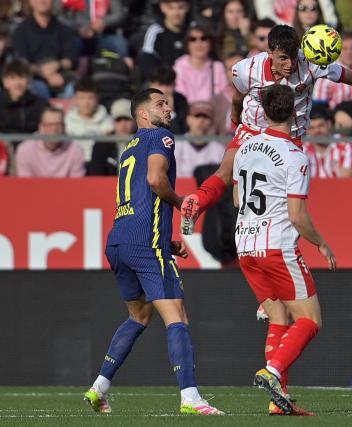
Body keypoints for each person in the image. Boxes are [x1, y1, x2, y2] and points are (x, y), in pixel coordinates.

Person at [83, 88, 224, 416]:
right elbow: (154, 180)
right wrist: (183, 204)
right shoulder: (160, 137)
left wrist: (165, 238)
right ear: (143, 114)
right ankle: (191, 398)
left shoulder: (128, 147)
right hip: (145, 242)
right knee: (177, 315)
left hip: (119, 240)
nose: (169, 109)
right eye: (161, 104)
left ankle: (99, 388)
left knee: (139, 315)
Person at [180, 24, 352, 233]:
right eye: (283, 57)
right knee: (225, 171)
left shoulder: (311, 61)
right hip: (253, 127)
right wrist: (236, 117)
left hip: (289, 134)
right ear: (270, 52)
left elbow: (348, 76)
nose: (290, 63)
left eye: (293, 56)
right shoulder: (247, 69)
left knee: (281, 191)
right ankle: (195, 204)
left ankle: (270, 230)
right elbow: (238, 96)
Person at [233, 84, 336, 416]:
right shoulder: (294, 155)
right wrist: (320, 241)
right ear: (294, 112)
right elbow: (297, 215)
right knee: (310, 318)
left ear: (264, 112)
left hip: (245, 245)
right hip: (276, 245)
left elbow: (237, 200)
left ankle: (279, 402)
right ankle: (272, 371)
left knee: (278, 316)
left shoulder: (246, 147)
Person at [12, 0, 78, 99]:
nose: (42, 1)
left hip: (60, 75)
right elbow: (21, 62)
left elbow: (71, 58)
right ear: (30, 2)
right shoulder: (21, 31)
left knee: (72, 89)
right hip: (34, 77)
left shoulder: (63, 29)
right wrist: (42, 72)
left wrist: (57, 65)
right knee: (39, 88)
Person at [15, 107, 85, 177]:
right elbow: (25, 184)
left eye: (58, 125)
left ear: (64, 127)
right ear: (40, 127)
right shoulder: (25, 150)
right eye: (49, 125)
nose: (54, 129)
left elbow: (77, 184)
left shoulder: (75, 150)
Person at [137, 0, 191, 83]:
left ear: (187, 7)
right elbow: (147, 60)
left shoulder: (194, 31)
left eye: (180, 8)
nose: (176, 13)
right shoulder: (155, 31)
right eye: (171, 8)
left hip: (191, 82)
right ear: (163, 7)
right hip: (165, 82)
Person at [173, 24, 227, 105]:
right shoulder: (179, 65)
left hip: (212, 113)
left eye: (203, 39)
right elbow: (179, 94)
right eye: (193, 39)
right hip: (187, 112)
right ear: (187, 44)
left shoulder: (218, 67)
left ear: (210, 43)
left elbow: (222, 97)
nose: (199, 43)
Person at [65, 77, 114, 162]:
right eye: (82, 98)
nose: (86, 102)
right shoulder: (65, 122)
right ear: (75, 99)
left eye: (90, 98)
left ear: (97, 99)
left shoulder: (109, 122)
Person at [87, 98, 137, 175]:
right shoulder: (101, 145)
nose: (123, 124)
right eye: (118, 120)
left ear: (135, 121)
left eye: (127, 119)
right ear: (113, 122)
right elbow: (96, 177)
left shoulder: (144, 143)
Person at [175, 101, 226, 177]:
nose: (201, 120)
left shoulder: (219, 149)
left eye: (206, 117)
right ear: (188, 119)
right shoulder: (177, 145)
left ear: (212, 122)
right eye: (197, 116)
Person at [303, 106, 352, 177]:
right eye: (312, 128)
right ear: (307, 130)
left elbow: (347, 177)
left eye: (320, 126)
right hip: (311, 188)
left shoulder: (343, 144)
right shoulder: (302, 148)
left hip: (338, 187)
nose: (317, 131)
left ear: (329, 124)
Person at [0, 59, 48, 135]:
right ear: (5, 82)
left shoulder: (40, 104)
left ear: (28, 80)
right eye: (13, 78)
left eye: (22, 77)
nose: (18, 83)